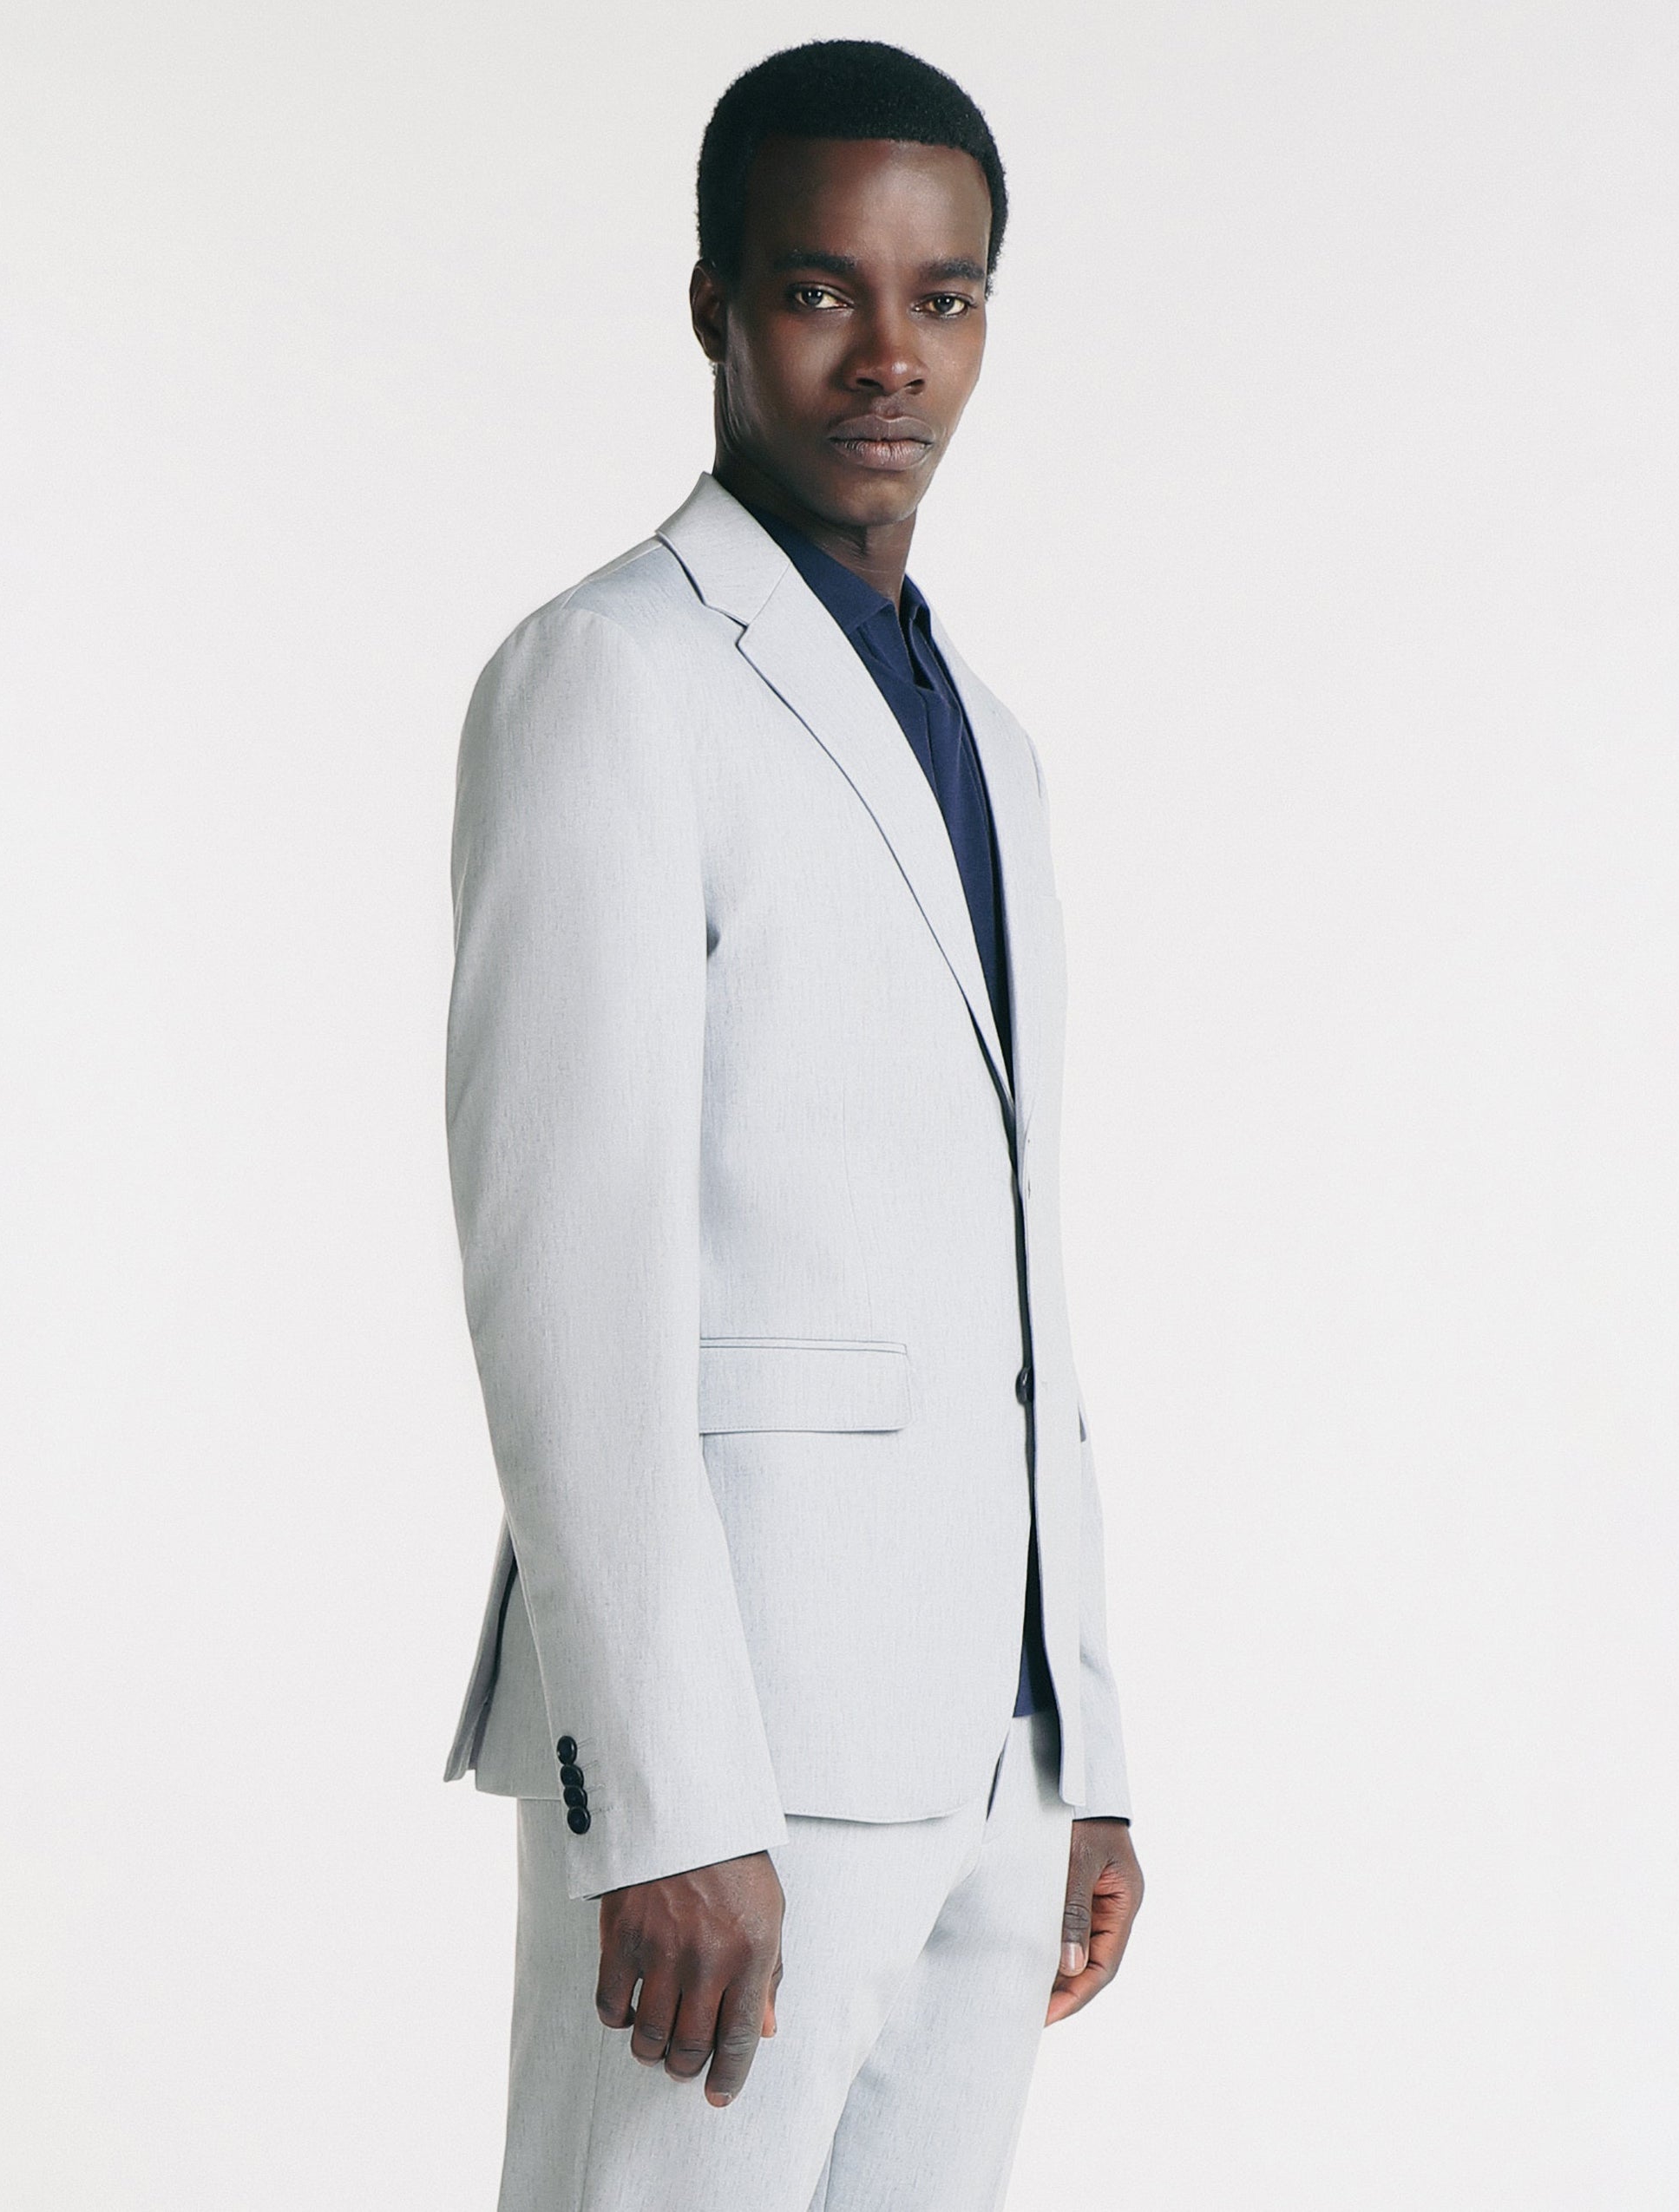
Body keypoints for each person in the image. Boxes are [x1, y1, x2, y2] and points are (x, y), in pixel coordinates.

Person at [443, 39, 1142, 2209]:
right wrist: (661, 1796)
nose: (889, 357)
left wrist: (1082, 1740)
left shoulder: (993, 740)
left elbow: (1011, 1272)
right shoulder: (610, 676)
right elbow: (567, 1275)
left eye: (945, 298)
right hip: (741, 1767)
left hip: (987, 1767)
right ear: (716, 307)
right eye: (824, 289)